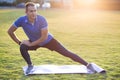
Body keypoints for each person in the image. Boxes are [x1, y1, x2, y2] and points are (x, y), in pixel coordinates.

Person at [7, 2, 93, 74]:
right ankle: (30, 65)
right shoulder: (21, 20)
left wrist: (31, 43)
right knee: (22, 47)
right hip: (35, 41)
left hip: (48, 41)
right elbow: (10, 31)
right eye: (31, 11)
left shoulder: (42, 19)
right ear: (26, 12)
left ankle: (87, 65)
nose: (33, 13)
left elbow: (44, 37)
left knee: (66, 53)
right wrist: (19, 42)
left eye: (35, 11)